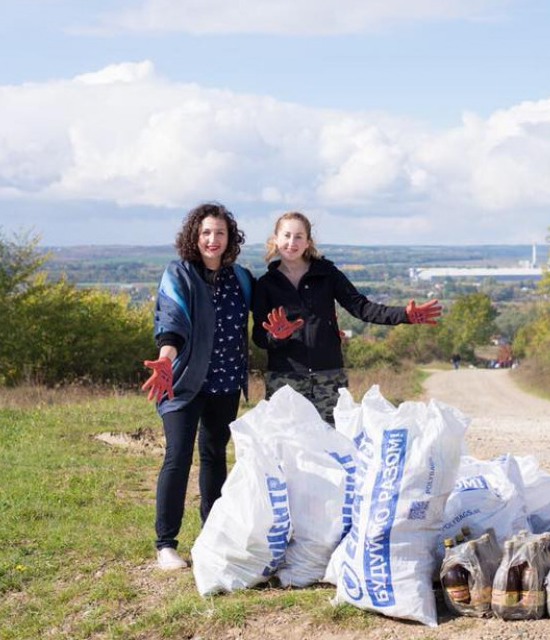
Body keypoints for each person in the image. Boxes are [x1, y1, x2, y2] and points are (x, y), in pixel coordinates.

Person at [141, 202, 253, 571]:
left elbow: (263, 321)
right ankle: (166, 545)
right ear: (194, 235)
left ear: (229, 238)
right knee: (178, 456)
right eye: (206, 232)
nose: (212, 239)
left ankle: (212, 536)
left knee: (214, 456)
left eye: (219, 232)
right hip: (183, 381)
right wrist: (165, 356)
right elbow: (171, 317)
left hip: (225, 381)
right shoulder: (179, 274)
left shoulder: (242, 279)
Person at [252, 211, 441, 425]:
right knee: (285, 447)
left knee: (331, 447)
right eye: (286, 235)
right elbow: (259, 337)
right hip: (284, 380)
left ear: (308, 242)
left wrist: (403, 315)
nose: (291, 242)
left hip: (328, 377)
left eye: (298, 236)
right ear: (275, 239)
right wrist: (277, 336)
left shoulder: (327, 274)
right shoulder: (266, 285)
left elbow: (361, 307)